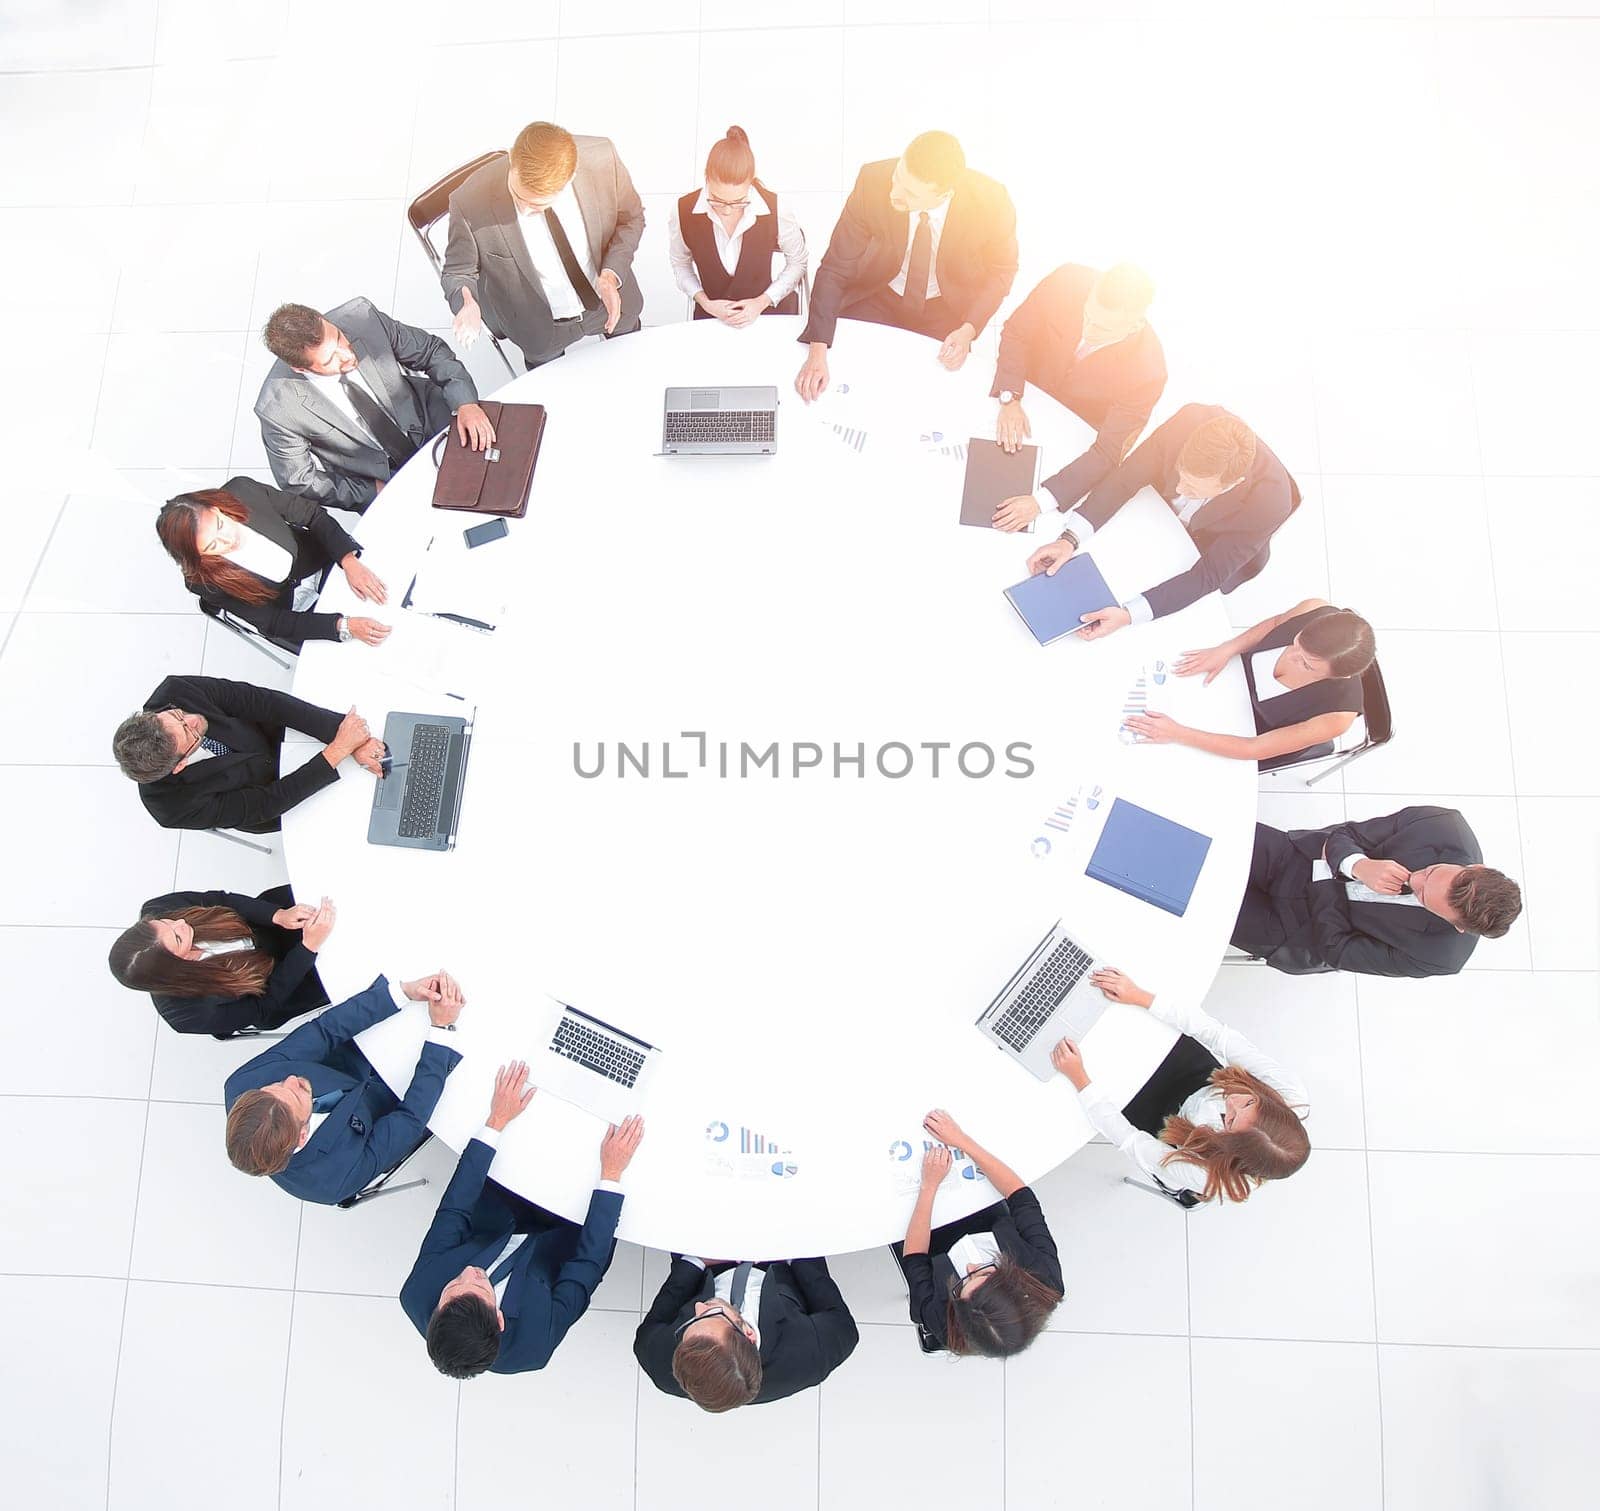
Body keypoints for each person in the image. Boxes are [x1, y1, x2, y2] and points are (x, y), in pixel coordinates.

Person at [402, 1061, 645, 1378]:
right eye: (479, 1286)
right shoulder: (533, 1345)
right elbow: (585, 1269)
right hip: (572, 1227)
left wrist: (495, 1121)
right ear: (500, 1320)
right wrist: (611, 1176)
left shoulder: (418, 1292)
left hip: (505, 1200)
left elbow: (454, 1209)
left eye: (453, 1285)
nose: (468, 1272)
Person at [1024, 405, 1301, 640]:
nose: (1180, 489)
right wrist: (1069, 539)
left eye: (1193, 488)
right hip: (1154, 515)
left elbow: (1207, 575)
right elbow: (1125, 479)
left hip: (1210, 543)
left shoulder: (1270, 503)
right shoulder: (1188, 422)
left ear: (1233, 484)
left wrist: (1128, 614)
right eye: (1182, 474)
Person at [1052, 968, 1310, 1205]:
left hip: (1166, 1121)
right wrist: (1139, 996)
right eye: (1249, 1101)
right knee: (1115, 1014)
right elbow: (1218, 1036)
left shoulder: (1209, 1176)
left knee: (1072, 1057)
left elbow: (1131, 1141)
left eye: (1230, 1120)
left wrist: (1079, 1078)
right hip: (1199, 1074)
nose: (1231, 1101)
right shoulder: (1289, 1093)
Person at [794, 131, 1017, 401]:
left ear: (943, 195)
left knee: (932, 394)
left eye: (909, 193)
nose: (894, 193)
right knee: (848, 380)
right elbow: (835, 266)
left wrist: (968, 330)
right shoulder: (872, 180)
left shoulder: (991, 201)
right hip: (878, 293)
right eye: (898, 178)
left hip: (945, 307)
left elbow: (1002, 270)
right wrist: (817, 351)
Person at [222, 969, 466, 1205]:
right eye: (298, 1094)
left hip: (363, 1043)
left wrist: (402, 993)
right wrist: (441, 1030)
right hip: (408, 1093)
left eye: (275, 1084)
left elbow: (323, 1031)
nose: (292, 1078)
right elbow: (410, 1119)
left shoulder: (242, 1084)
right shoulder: (332, 1182)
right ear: (303, 1136)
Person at [254, 297, 494, 511]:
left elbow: (431, 352)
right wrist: (372, 491)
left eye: (339, 338)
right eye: (330, 360)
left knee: (497, 481)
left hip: (432, 421)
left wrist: (465, 403)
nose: (347, 355)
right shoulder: (277, 409)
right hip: (381, 479)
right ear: (300, 368)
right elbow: (298, 480)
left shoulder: (362, 317)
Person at [443, 120, 645, 370]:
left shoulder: (601, 158)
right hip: (539, 327)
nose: (525, 210)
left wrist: (611, 275)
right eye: (519, 197)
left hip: (611, 301)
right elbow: (458, 271)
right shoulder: (469, 201)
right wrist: (466, 303)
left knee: (633, 365)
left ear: (571, 177)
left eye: (539, 206)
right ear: (512, 161)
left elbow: (631, 218)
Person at [1233, 806, 1524, 977]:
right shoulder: (1443, 826)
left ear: (1458, 926)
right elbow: (1345, 835)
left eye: (1423, 898)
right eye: (1431, 872)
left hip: (1296, 932)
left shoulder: (1440, 956)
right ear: (1476, 867)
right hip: (1295, 858)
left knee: (1197, 905)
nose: (1415, 880)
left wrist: (1323, 875)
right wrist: (1358, 865)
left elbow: (1336, 950)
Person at [990, 262, 1166, 528]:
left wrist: (1040, 502)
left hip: (1070, 435)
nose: (1088, 331)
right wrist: (1009, 396)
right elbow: (1017, 332)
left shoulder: (1148, 372)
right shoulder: (1066, 281)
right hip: (1025, 394)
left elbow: (1108, 451)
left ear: (1134, 325)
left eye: (1103, 329)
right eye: (1088, 315)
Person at [112, 673, 385, 833]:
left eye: (177, 715)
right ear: (180, 765)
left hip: (273, 735)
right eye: (190, 734)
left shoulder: (174, 692)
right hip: (276, 798)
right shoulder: (171, 807)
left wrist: (343, 734)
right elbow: (265, 804)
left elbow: (263, 702)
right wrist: (338, 750)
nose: (193, 719)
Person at [1123, 600, 1375, 768]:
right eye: (1297, 642)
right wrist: (1226, 649)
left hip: (1248, 732)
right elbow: (1276, 624)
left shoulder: (1337, 715)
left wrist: (1178, 733)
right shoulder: (1314, 608)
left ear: (1337, 676)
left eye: (1307, 664)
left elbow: (1253, 748)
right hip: (1228, 683)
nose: (1291, 655)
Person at [155, 476, 390, 649]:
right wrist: (344, 626)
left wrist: (348, 561)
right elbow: (273, 622)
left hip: (325, 560)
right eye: (211, 546)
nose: (227, 540)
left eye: (220, 525)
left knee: (389, 593)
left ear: (217, 509)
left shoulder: (243, 491)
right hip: (296, 615)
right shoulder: (203, 581)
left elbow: (312, 515)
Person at [899, 1109, 1063, 1355]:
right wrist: (960, 1140)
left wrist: (929, 1186)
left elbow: (913, 1258)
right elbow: (1021, 1199)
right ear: (1013, 1280)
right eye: (985, 1272)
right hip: (982, 1206)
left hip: (926, 1231)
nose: (970, 1268)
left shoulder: (942, 1322)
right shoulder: (1044, 1277)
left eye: (964, 1284)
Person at [634, 1253, 858, 1411]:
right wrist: (793, 1252)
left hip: (706, 1255)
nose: (699, 1307)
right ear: (748, 1334)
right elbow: (842, 1324)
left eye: (691, 1322)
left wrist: (697, 1261)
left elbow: (651, 1329)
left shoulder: (663, 1364)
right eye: (711, 1315)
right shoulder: (808, 1358)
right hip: (781, 1259)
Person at [108, 887, 335, 1038]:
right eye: (178, 938)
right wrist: (307, 949)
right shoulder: (188, 1013)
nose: (179, 922)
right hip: (291, 982)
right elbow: (264, 1006)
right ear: (176, 967)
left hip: (270, 921)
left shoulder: (155, 910)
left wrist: (277, 915)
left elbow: (220, 900)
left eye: (165, 922)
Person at [670, 125, 807, 324]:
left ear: (750, 183)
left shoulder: (776, 208)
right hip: (711, 317)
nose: (727, 210)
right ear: (706, 177)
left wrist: (762, 302)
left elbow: (798, 262)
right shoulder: (683, 210)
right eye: (716, 199)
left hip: (765, 315)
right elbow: (680, 263)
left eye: (738, 201)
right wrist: (706, 302)